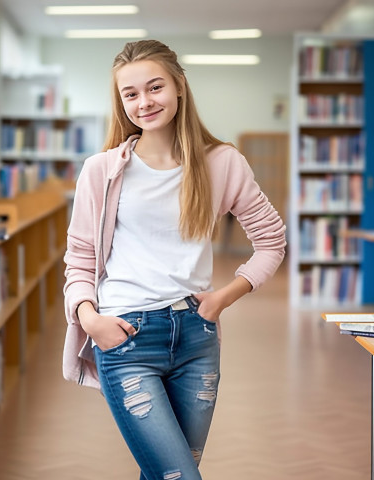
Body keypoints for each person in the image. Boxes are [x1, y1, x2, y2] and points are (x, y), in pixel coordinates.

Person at [62, 39, 286, 480]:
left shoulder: (222, 163)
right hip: (126, 338)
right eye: (131, 94)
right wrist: (89, 318)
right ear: (121, 101)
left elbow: (272, 241)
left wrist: (225, 296)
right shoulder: (102, 170)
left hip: (196, 339)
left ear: (179, 86)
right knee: (178, 475)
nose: (144, 102)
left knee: (167, 472)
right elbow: (80, 259)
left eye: (155, 87)